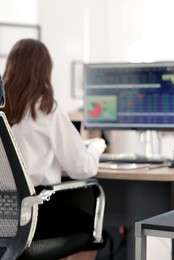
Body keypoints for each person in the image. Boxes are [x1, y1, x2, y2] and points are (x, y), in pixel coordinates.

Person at [2, 38, 106, 259]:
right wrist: (96, 147)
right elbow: (82, 168)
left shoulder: (2, 112)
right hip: (36, 214)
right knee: (91, 229)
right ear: (44, 72)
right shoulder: (47, 110)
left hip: (4, 217)